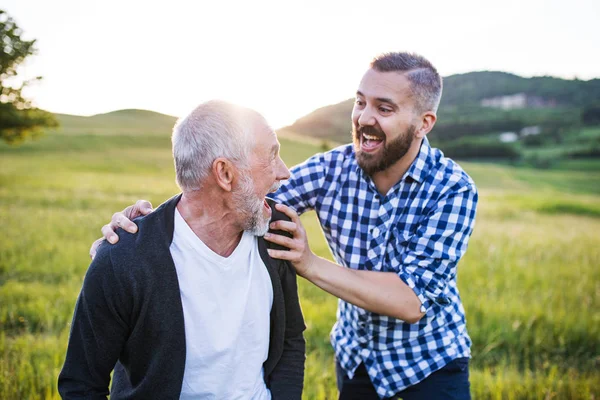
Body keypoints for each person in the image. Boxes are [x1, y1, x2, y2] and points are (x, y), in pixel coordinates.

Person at [95, 52, 477, 399]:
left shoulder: (452, 190)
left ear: (424, 123)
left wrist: (308, 263)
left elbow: (411, 301)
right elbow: (231, 197)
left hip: (429, 368)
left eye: (385, 108)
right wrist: (137, 237)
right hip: (357, 362)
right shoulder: (334, 169)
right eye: (360, 102)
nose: (364, 118)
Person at [59, 100, 306, 399]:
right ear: (225, 173)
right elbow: (81, 384)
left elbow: (290, 339)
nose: (284, 172)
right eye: (272, 156)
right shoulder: (124, 257)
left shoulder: (274, 232)